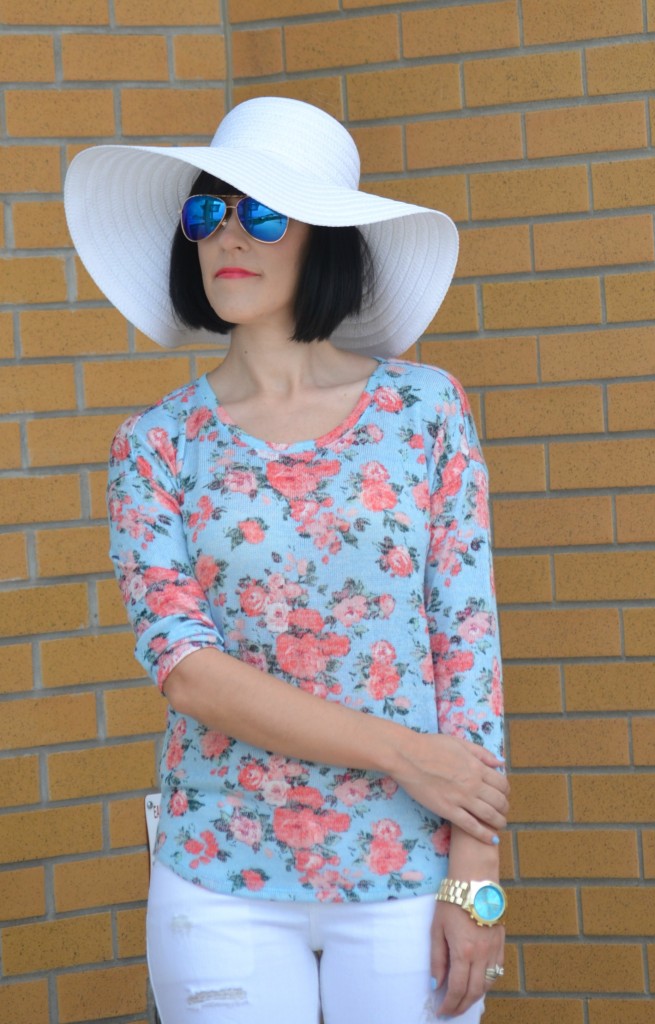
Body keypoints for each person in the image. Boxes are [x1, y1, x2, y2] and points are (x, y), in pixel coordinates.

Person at [64, 97, 508, 1024]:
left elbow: (465, 644)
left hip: (406, 873)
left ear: (326, 241)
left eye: (262, 213)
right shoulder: (155, 444)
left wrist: (476, 881)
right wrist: (404, 753)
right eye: (207, 212)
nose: (228, 234)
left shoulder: (425, 411)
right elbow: (188, 673)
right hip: (218, 878)